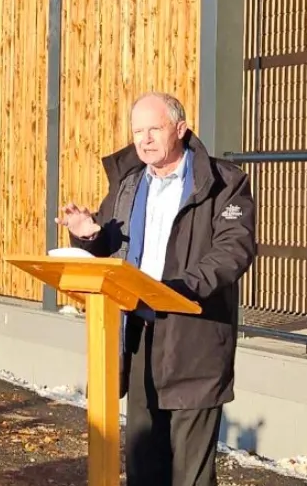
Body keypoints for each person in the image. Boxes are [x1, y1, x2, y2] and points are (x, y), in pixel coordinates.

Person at [55, 92, 257, 486]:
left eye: (154, 129)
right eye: (137, 131)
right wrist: (91, 235)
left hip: (194, 337)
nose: (144, 140)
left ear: (180, 129)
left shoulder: (224, 183)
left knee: (190, 477)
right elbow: (113, 249)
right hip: (138, 337)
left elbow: (235, 250)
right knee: (145, 470)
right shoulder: (129, 184)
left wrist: (179, 288)